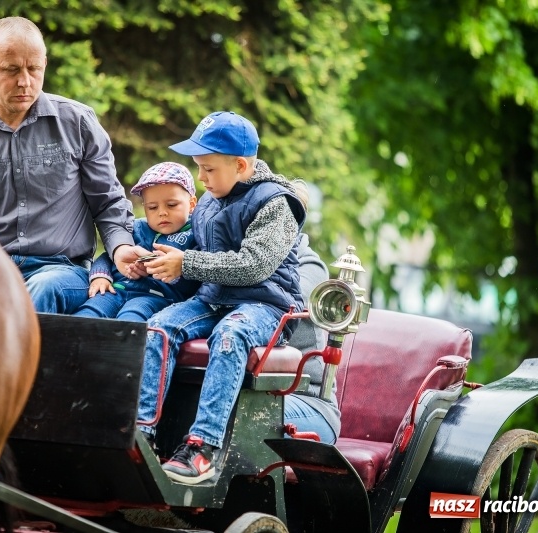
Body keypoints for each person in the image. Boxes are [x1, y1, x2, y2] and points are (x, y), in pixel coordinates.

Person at [0, 16, 146, 314]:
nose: (24, 81)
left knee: (42, 289)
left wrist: (120, 247)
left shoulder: (79, 124)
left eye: (33, 68)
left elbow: (108, 203)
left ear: (44, 65)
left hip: (61, 273)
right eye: (11, 70)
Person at [136, 111, 306, 485]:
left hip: (265, 305)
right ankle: (142, 434)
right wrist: (152, 259)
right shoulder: (211, 201)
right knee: (158, 329)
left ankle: (203, 448)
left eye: (208, 169)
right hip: (214, 298)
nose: (201, 178)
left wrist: (187, 263)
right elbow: (187, 255)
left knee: (230, 336)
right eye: (198, 167)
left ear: (241, 165)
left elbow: (253, 266)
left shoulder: (277, 204)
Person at [74, 162, 201, 321]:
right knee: (90, 311)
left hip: (156, 297)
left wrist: (171, 271)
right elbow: (109, 256)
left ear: (191, 205)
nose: (162, 212)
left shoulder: (196, 235)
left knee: (132, 318)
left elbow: (196, 282)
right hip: (117, 290)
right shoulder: (137, 228)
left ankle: (123, 345)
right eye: (152, 207)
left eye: (171, 205)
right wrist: (101, 277)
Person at [284, 179, 341, 445]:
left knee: (242, 414)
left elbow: (281, 309)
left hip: (310, 403)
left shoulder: (310, 267)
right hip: (260, 393)